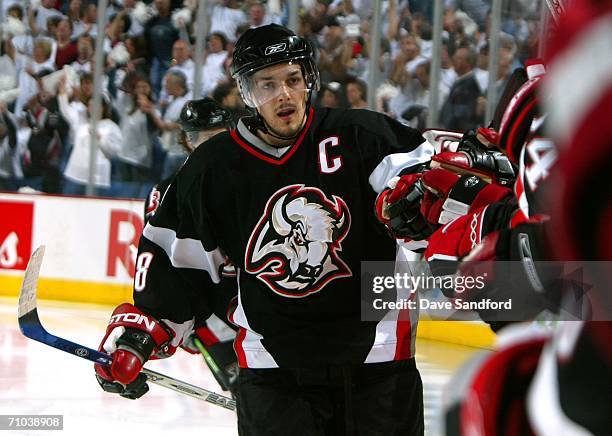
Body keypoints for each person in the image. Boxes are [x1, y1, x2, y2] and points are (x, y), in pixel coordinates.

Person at [94, 24, 433, 435]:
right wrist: (136, 339)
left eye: (292, 80)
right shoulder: (212, 169)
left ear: (309, 80)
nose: (284, 95)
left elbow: (434, 190)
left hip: (379, 366)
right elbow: (176, 268)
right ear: (248, 93)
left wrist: (430, 201)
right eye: (267, 85)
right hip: (274, 372)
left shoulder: (364, 136)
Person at [143, 97, 239, 394]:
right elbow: (162, 261)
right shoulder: (167, 193)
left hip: (252, 307)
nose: (211, 147)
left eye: (218, 137)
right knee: (244, 389)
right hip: (207, 312)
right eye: (202, 139)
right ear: (187, 141)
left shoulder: (250, 180)